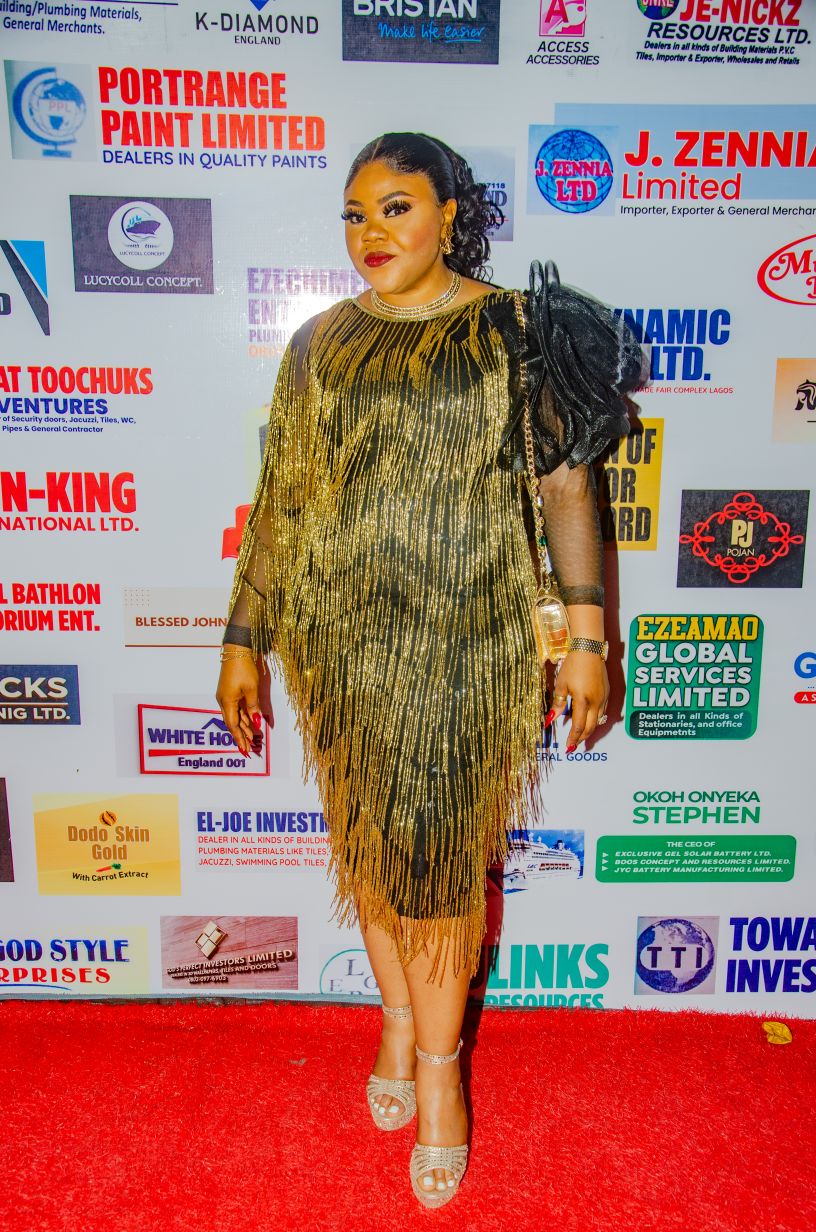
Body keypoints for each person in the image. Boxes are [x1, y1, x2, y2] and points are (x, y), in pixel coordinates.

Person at [216, 132, 645, 1209]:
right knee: (373, 850)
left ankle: (444, 1077)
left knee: (441, 872)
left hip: (471, 643)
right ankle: (400, 1022)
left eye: (396, 207)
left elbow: (567, 492)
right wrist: (242, 637)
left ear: (451, 214)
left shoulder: (522, 330)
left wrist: (588, 638)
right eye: (355, 214)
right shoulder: (320, 342)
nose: (372, 233)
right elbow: (283, 501)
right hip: (342, 640)